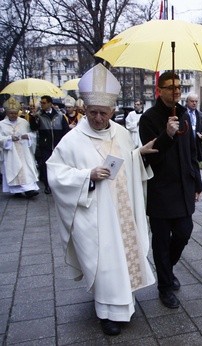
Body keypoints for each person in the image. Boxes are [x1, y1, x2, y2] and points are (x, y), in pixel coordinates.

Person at [46, 64, 158, 336]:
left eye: (103, 113)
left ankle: (124, 303)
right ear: (84, 109)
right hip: (94, 214)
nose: (97, 118)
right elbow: (56, 174)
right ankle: (107, 313)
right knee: (106, 262)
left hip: (122, 211)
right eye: (92, 112)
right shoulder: (72, 140)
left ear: (112, 111)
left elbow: (125, 163)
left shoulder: (120, 133)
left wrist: (137, 154)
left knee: (121, 259)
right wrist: (88, 175)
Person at [139, 71, 202, 310]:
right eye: (170, 87)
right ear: (159, 90)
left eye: (179, 87)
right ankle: (165, 287)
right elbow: (150, 156)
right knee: (161, 242)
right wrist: (166, 134)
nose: (176, 91)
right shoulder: (148, 118)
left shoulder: (185, 114)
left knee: (184, 233)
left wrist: (197, 182)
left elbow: (192, 153)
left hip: (184, 187)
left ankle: (167, 268)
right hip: (161, 190)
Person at [0, 97, 39, 198]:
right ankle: (16, 190)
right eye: (11, 113)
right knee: (13, 169)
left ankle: (29, 190)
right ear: (7, 113)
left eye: (15, 113)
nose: (13, 115)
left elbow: (33, 134)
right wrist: (9, 138)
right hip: (10, 152)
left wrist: (29, 136)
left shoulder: (24, 122)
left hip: (24, 151)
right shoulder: (1, 124)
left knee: (26, 170)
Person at [29, 94, 69, 194]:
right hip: (45, 145)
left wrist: (63, 142)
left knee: (59, 165)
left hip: (58, 144)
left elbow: (66, 129)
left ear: (50, 104)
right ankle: (47, 185)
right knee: (46, 165)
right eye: (41, 103)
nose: (42, 105)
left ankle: (58, 184)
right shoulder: (39, 115)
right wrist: (33, 118)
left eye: (44, 103)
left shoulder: (59, 115)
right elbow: (33, 128)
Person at [185, 93, 202, 164]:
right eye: (192, 101)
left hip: (196, 146)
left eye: (196, 101)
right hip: (184, 146)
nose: (194, 103)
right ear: (187, 102)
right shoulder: (181, 114)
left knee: (195, 170)